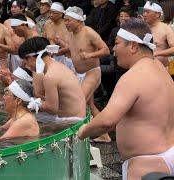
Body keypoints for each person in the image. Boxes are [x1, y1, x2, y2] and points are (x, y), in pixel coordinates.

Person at [78, 18, 174, 180]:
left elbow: (107, 121)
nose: (114, 50)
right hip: (168, 153)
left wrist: (82, 132)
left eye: (117, 43)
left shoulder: (134, 76)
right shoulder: (160, 69)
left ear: (133, 46)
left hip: (147, 163)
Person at [64, 6, 111, 142]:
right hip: (79, 73)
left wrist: (90, 55)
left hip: (92, 72)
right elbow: (74, 49)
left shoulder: (89, 32)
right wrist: (61, 50)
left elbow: (106, 50)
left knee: (78, 103)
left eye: (68, 20)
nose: (66, 23)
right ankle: (104, 135)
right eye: (65, 20)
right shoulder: (71, 33)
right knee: (90, 106)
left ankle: (80, 135)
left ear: (78, 20)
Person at [19, 37, 86, 126]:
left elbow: (52, 108)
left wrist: (28, 103)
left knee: (23, 117)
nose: (26, 66)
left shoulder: (49, 76)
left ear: (31, 58)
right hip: (79, 116)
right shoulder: (58, 66)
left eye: (25, 62)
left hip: (72, 121)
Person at [143, 1, 174, 66]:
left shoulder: (166, 28)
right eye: (144, 12)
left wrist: (157, 53)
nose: (144, 15)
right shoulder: (141, 27)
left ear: (157, 14)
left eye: (147, 12)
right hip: (143, 66)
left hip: (161, 68)